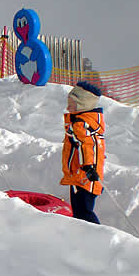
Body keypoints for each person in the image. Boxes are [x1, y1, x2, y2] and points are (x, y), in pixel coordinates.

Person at [60, 81, 106, 224]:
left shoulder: (81, 124)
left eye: (72, 105)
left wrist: (88, 166)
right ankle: (82, 233)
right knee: (79, 210)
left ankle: (95, 235)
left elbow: (89, 145)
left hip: (85, 175)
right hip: (79, 174)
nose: (68, 108)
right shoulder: (82, 122)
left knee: (83, 211)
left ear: (82, 106)